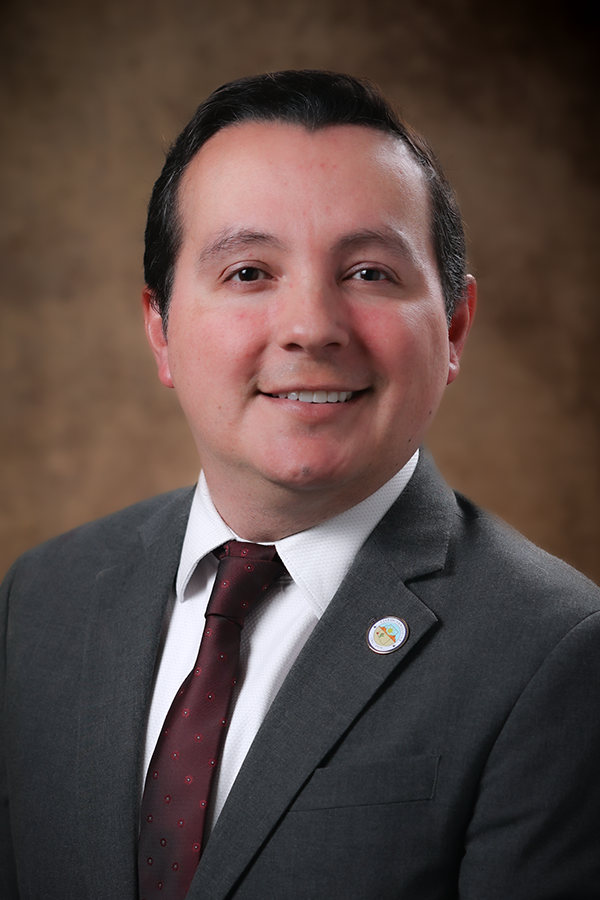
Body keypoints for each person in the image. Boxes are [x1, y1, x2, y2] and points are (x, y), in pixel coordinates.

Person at [1, 70, 599, 900]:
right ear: (161, 329)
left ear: (455, 328)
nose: (312, 328)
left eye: (370, 274)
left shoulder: (556, 654)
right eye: (249, 272)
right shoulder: (41, 601)